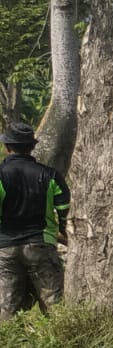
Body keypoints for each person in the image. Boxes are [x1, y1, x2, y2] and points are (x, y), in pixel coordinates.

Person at [0, 122, 69, 321]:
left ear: (7, 147)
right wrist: (63, 228)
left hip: (6, 248)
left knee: (7, 305)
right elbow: (63, 206)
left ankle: (9, 347)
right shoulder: (50, 175)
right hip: (41, 245)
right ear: (32, 147)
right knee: (54, 303)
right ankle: (60, 343)